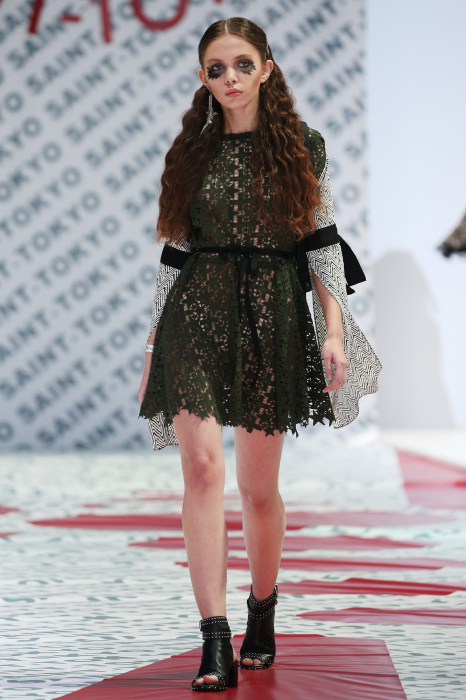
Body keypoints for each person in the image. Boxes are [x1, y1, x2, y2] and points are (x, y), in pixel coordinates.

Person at [138, 17, 382, 692]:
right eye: (216, 69)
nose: (231, 78)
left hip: (271, 315)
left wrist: (333, 330)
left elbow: (321, 240)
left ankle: (262, 610)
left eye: (243, 65)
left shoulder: (303, 145)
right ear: (203, 78)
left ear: (267, 69)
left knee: (257, 489)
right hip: (196, 312)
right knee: (200, 470)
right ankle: (214, 638)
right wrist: (154, 343)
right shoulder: (191, 151)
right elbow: (175, 252)